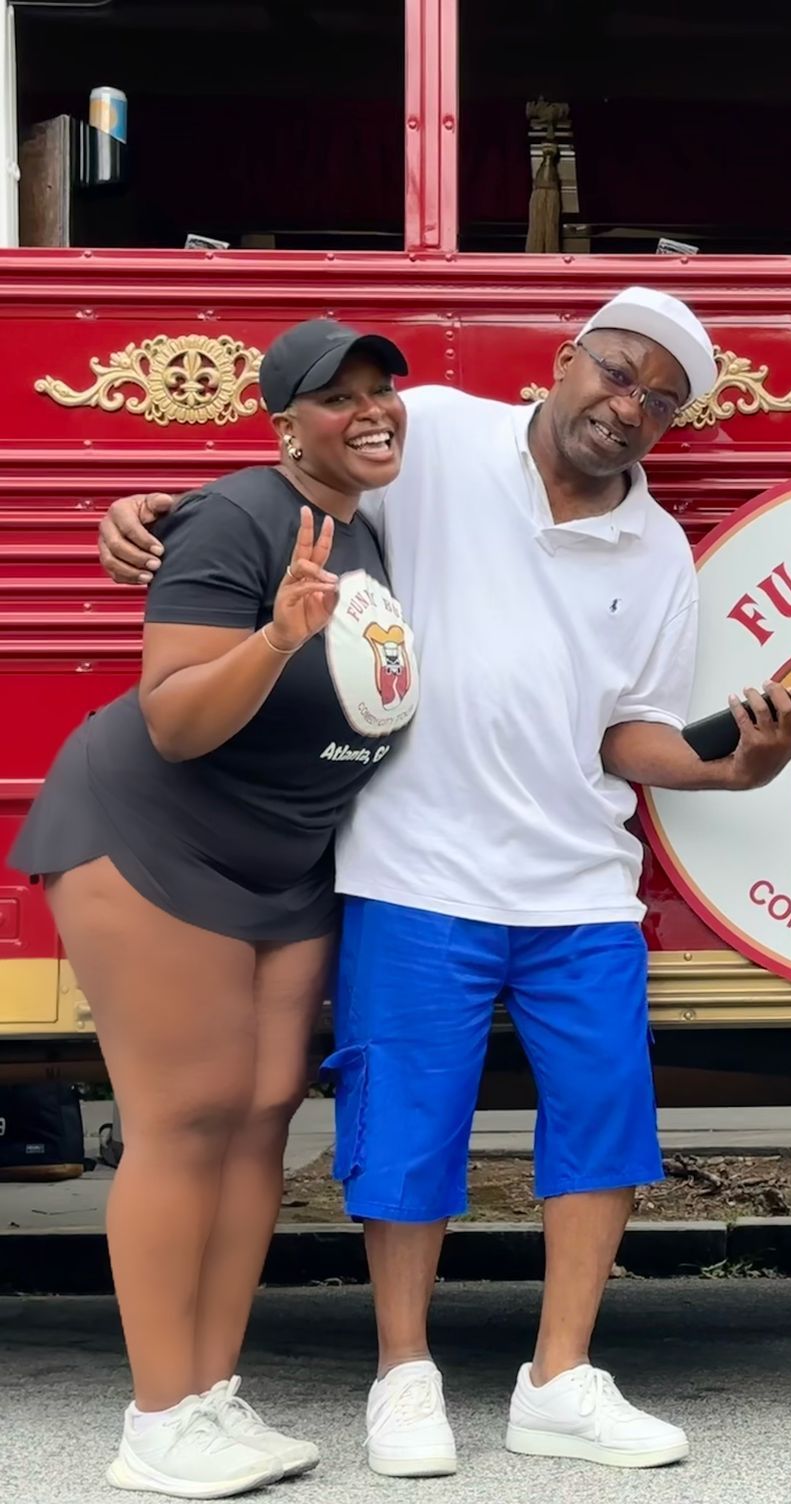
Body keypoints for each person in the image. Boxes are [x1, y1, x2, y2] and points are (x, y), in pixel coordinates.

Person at [95, 287, 791, 1480]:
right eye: (618, 371)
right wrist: (157, 508)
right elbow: (308, 472)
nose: (628, 407)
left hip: (582, 879)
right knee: (405, 1129)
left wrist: (740, 767)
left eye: (661, 400)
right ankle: (403, 1376)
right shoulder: (432, 431)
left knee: (604, 1127)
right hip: (413, 861)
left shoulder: (658, 550)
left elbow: (627, 735)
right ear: (566, 357)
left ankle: (562, 1379)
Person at [13, 319, 417, 1497]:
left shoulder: (368, 528)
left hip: (285, 860)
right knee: (183, 1115)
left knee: (257, 1118)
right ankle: (154, 1420)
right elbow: (177, 715)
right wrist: (279, 635)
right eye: (336, 398)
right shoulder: (238, 517)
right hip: (154, 841)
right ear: (284, 421)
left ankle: (210, 1396)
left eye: (382, 389)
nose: (370, 410)